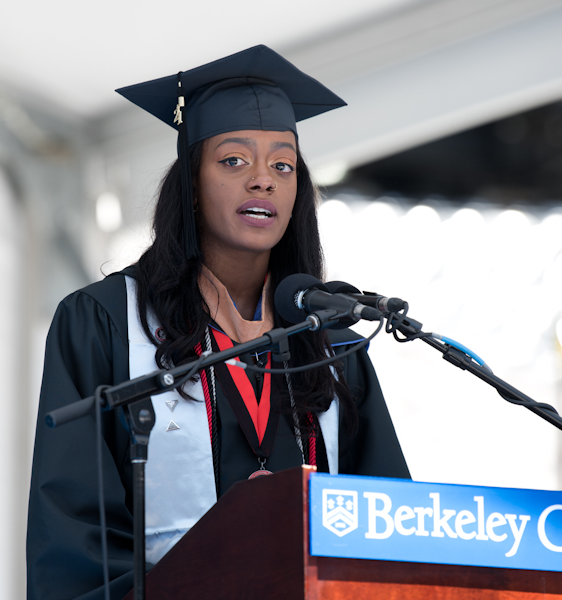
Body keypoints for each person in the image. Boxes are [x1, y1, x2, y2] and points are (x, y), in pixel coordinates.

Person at [26, 45, 409, 600]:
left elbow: (387, 523)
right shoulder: (104, 322)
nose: (263, 181)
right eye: (234, 161)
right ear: (191, 183)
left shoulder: (332, 345)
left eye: (283, 165)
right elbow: (75, 538)